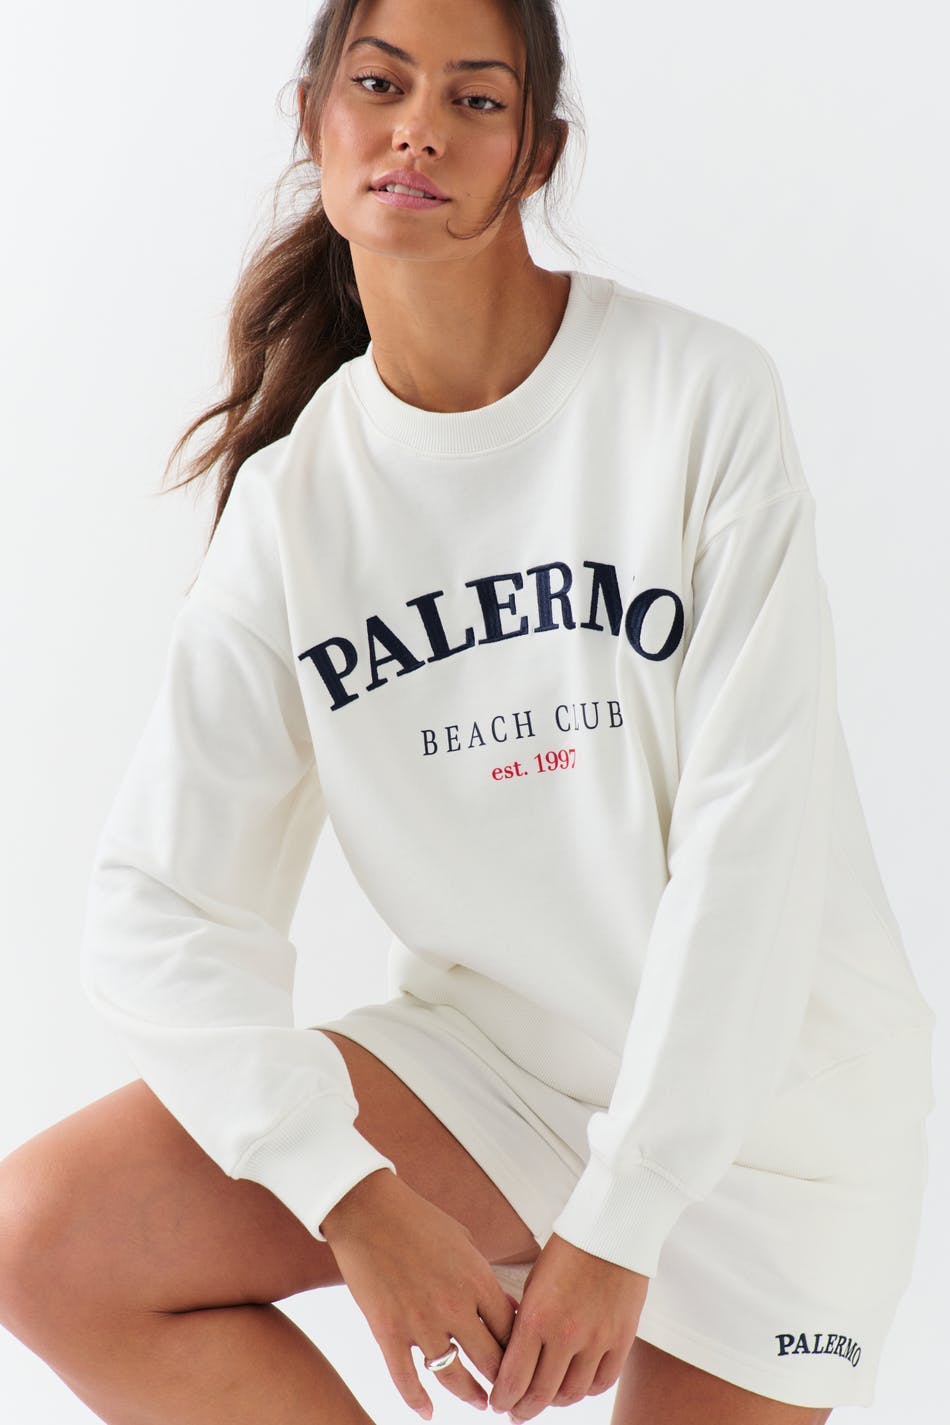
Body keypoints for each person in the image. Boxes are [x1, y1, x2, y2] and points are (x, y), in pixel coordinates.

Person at [0, 0, 936, 1422]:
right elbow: (158, 912)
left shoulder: (692, 395)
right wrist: (351, 1196)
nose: (419, 129)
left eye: (476, 99)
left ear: (535, 154)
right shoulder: (296, 507)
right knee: (49, 1240)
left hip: (775, 1103)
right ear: (314, 120)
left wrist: (625, 1215)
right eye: (379, 84)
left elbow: (751, 838)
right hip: (497, 1065)